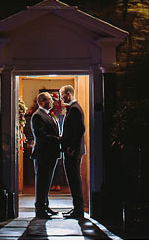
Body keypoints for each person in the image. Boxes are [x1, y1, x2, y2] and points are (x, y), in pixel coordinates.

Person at [30, 91, 60, 219]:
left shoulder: (47, 114)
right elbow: (40, 135)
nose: (52, 102)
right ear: (42, 102)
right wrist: (57, 139)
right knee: (42, 181)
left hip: (50, 153)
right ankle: (40, 209)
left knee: (46, 181)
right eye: (49, 100)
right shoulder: (38, 116)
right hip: (43, 153)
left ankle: (45, 205)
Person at [59, 84, 86, 219]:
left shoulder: (75, 109)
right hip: (72, 150)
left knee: (74, 179)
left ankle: (78, 210)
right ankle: (77, 208)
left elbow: (80, 130)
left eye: (62, 95)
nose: (60, 98)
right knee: (73, 179)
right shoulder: (74, 108)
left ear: (68, 94)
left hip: (72, 151)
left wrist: (72, 147)